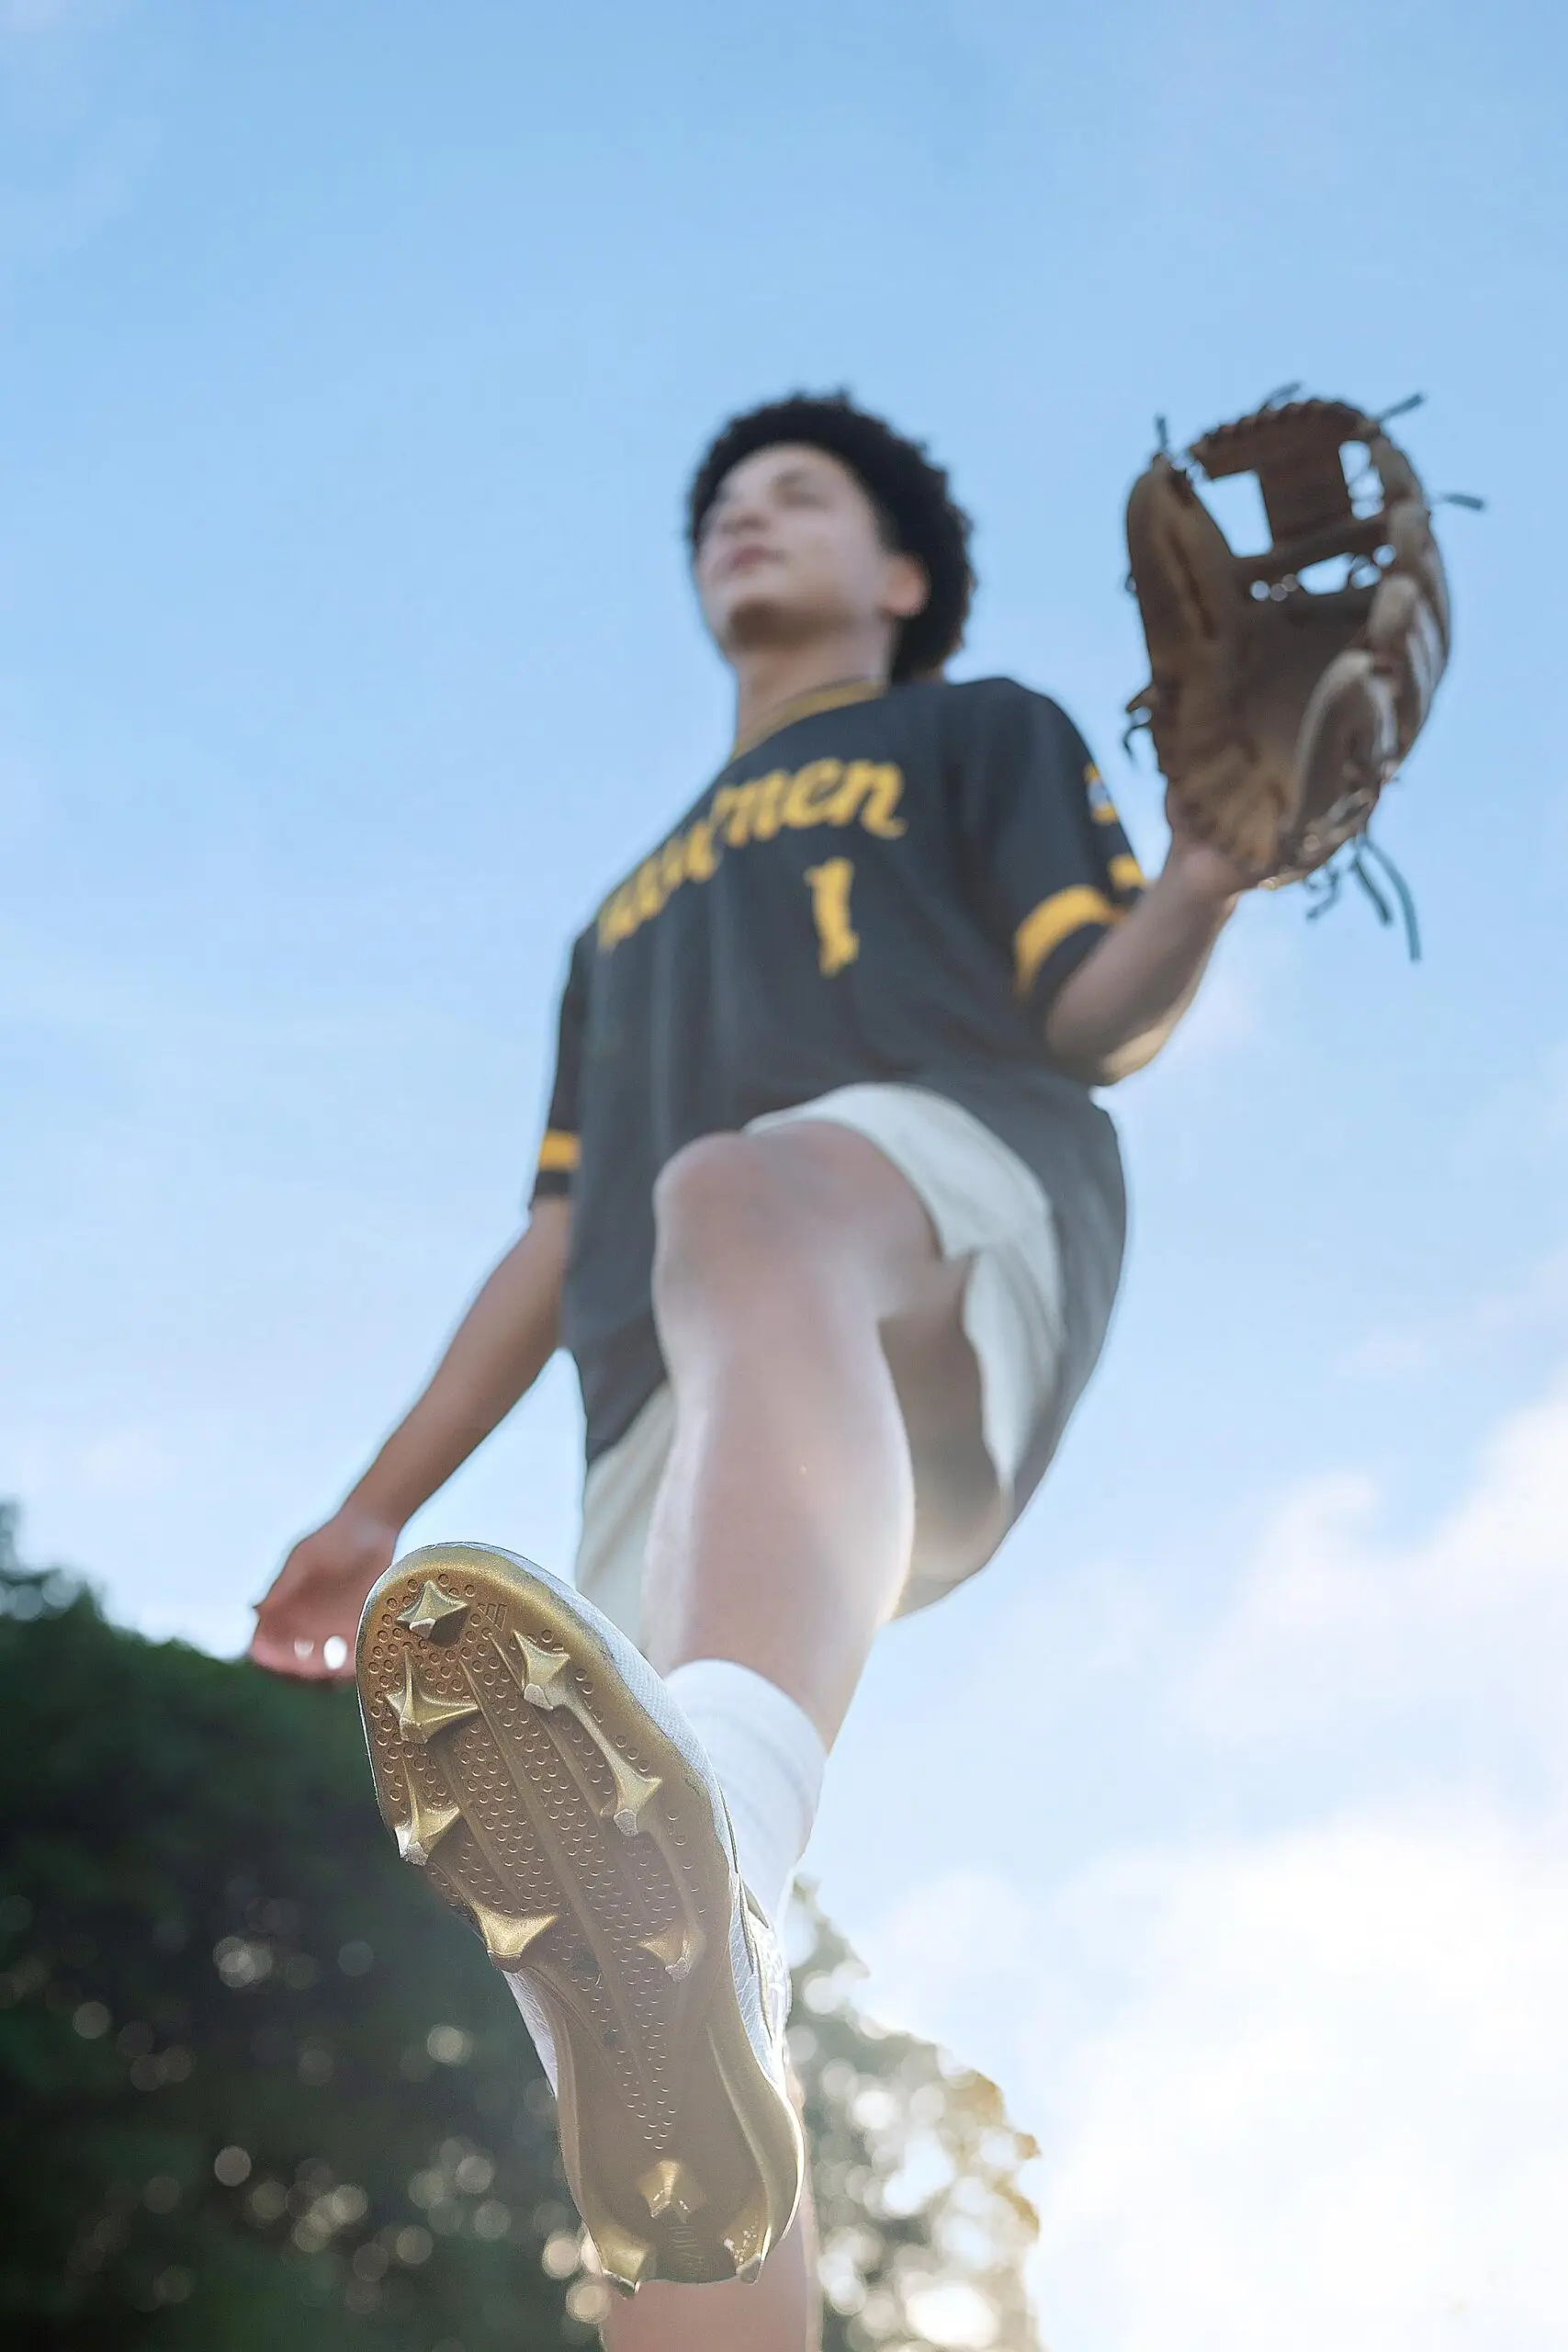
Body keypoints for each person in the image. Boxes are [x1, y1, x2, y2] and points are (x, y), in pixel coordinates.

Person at [250, 392, 1251, 2351]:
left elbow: (1092, 1008)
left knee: (734, 1196)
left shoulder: (977, 730)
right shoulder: (616, 925)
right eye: (719, 500)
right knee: (638, 2055)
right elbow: (556, 1237)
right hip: (676, 1398)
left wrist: (1204, 876)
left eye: (796, 494)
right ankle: (723, 1887)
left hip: (945, 1200)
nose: (743, 515)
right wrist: (378, 1499)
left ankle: (736, 1784)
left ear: (896, 577)